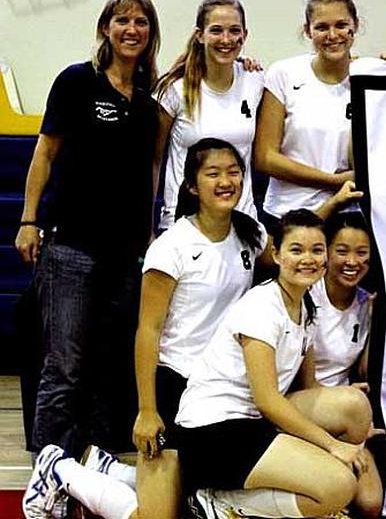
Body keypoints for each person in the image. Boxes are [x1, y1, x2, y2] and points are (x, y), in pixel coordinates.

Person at [23, 138, 266, 519]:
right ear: (191, 185)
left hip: (225, 389)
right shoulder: (172, 246)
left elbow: (296, 252)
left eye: (234, 172)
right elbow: (148, 330)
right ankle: (60, 468)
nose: (226, 181)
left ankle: (114, 471)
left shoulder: (251, 236)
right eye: (213, 173)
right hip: (177, 385)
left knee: (193, 495)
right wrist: (147, 410)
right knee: (157, 516)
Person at [15, 0, 160, 460]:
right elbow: (45, 152)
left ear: (150, 33)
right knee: (65, 365)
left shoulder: (146, 100)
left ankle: (95, 463)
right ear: (105, 28)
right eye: (122, 20)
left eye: (140, 22)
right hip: (72, 247)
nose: (131, 29)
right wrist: (28, 219)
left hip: (126, 254)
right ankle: (49, 467)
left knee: (108, 362)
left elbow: (152, 170)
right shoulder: (77, 81)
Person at [173, 208, 375, 518]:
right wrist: (332, 447)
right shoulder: (261, 306)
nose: (308, 258)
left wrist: (349, 426)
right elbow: (267, 400)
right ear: (277, 254)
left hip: (254, 421)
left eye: (316, 250)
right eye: (296, 250)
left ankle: (303, 494)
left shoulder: (306, 305)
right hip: (213, 432)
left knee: (355, 405)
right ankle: (220, 503)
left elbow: (309, 388)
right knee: (339, 485)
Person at [155, 0, 264, 230]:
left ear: (245, 35)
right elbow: (153, 162)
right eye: (216, 30)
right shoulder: (175, 90)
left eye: (234, 31)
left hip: (241, 223)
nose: (226, 39)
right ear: (200, 35)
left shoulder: (255, 80)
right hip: (184, 223)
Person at [254, 0, 360, 227]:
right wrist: (333, 181)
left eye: (341, 25)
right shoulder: (284, 74)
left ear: (355, 26)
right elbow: (265, 157)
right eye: (322, 27)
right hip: (287, 213)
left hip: (347, 215)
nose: (333, 35)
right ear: (307, 31)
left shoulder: (369, 77)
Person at [310, 211, 381, 517]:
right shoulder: (307, 294)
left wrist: (379, 318)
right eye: (342, 251)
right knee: (334, 494)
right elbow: (298, 381)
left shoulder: (367, 303)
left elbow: (364, 371)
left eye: (361, 252)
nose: (352, 261)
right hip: (302, 406)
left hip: (345, 417)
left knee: (370, 503)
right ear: (326, 251)